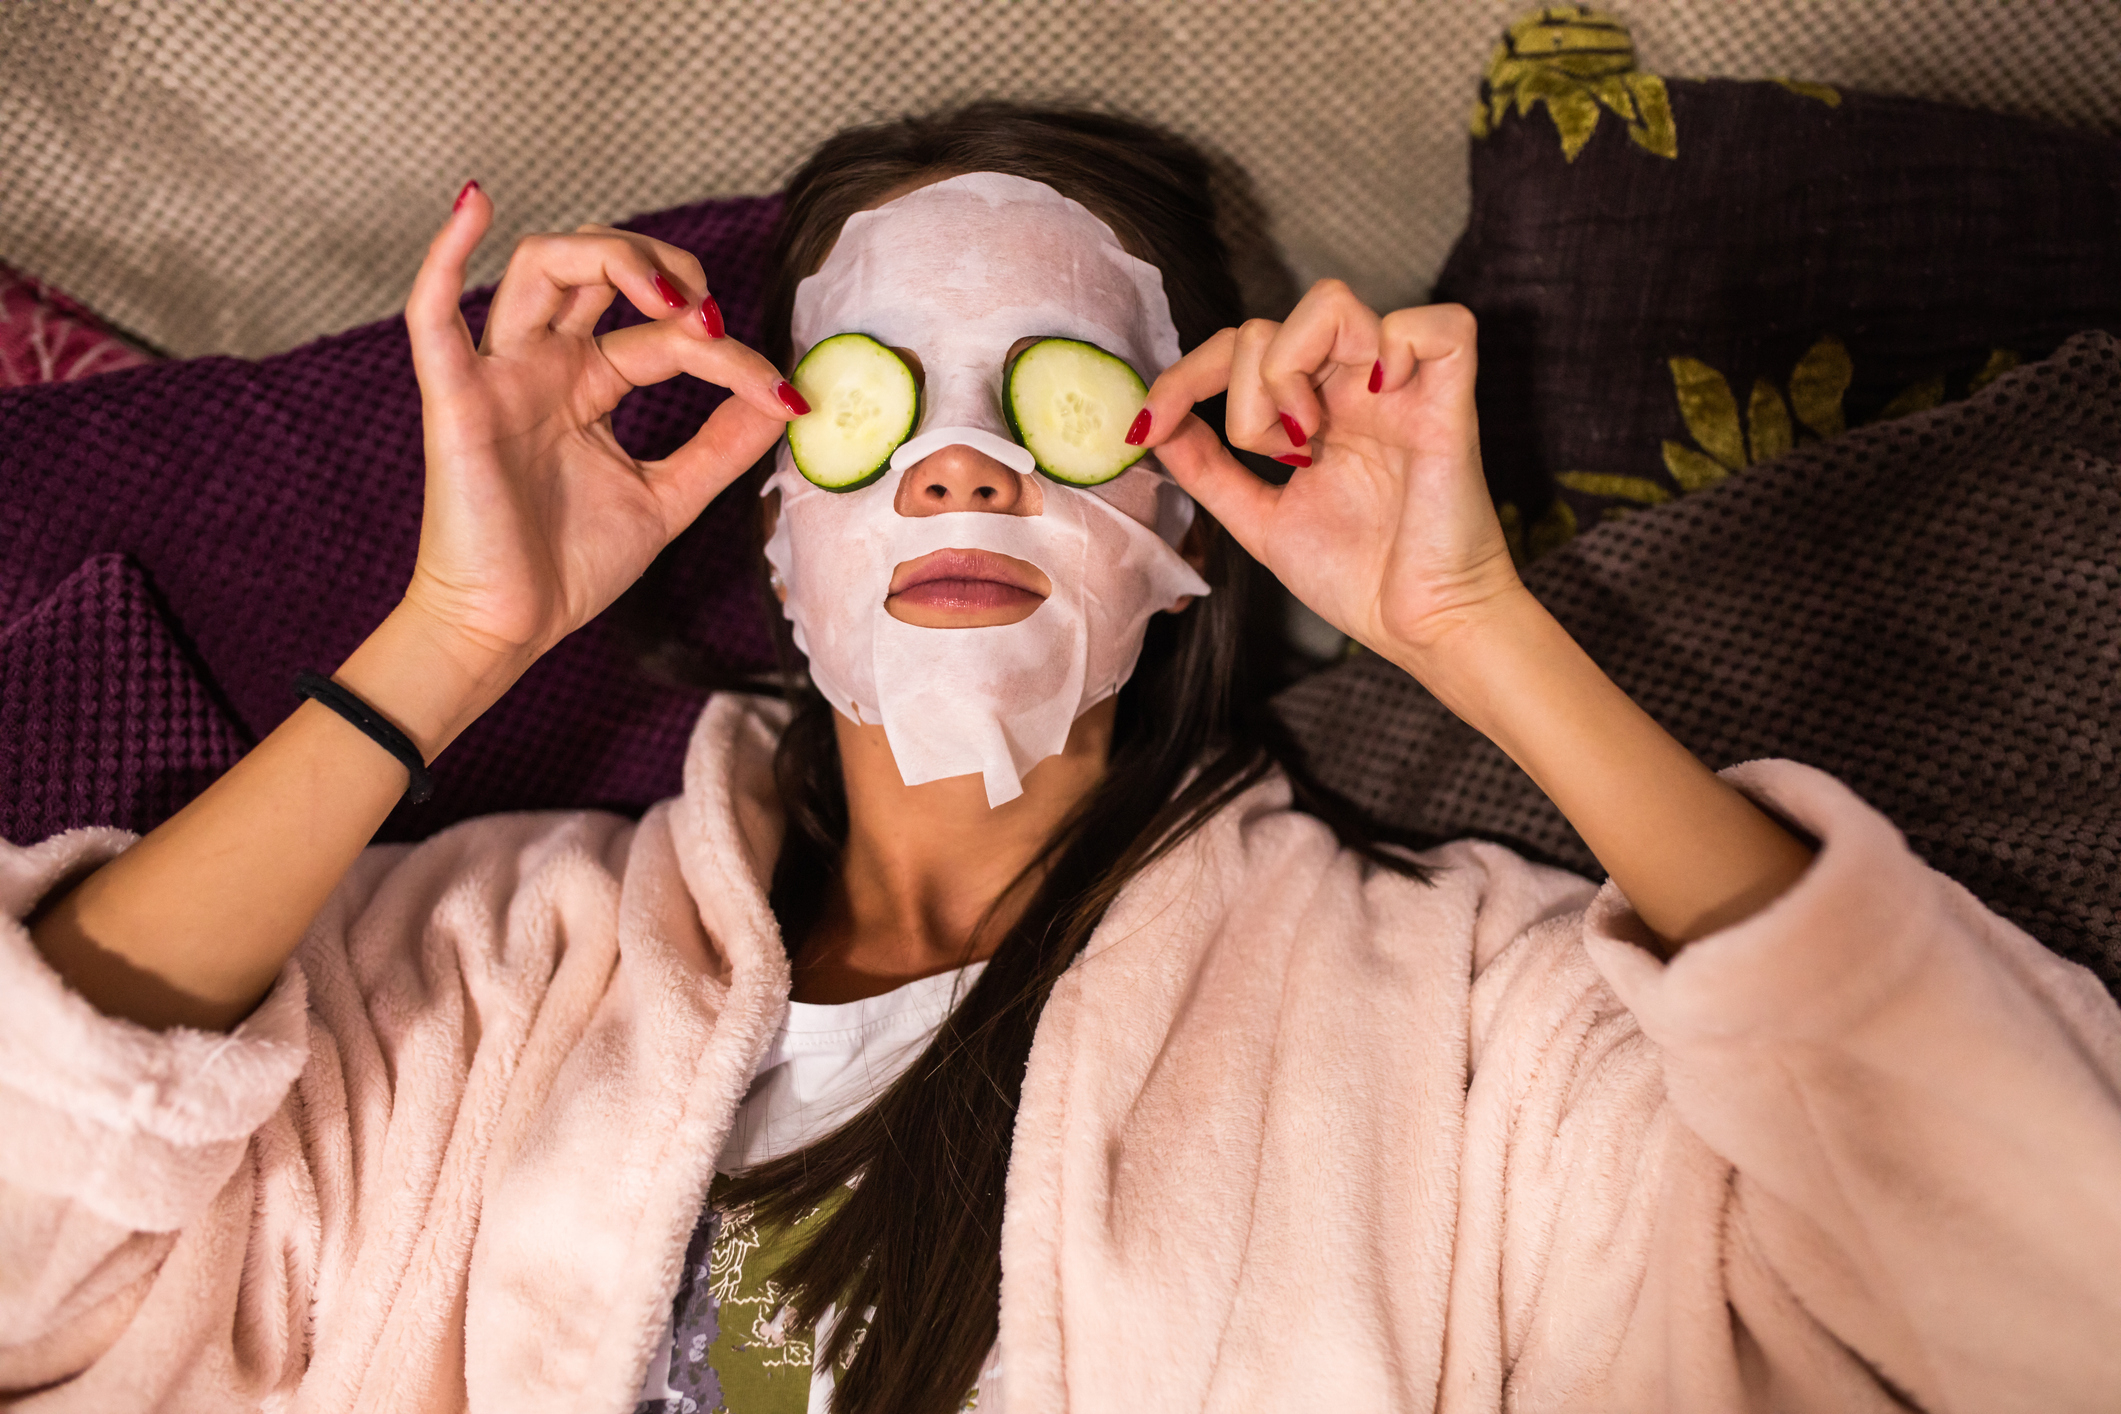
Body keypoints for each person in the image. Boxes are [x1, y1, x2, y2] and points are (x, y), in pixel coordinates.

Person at [4, 104, 2117, 1414]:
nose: (950, 452)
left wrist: (1475, 637)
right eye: (872, 391)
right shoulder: (462, 968)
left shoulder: (1472, 1031)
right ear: (771, 510)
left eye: (1057, 395)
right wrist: (443, 646)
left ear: (1180, 516)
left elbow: (2042, 1298)